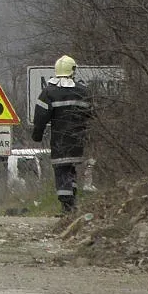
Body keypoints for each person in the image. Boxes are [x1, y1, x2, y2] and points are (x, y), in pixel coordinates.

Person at [32, 54, 93, 215]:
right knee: (71, 170)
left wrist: (37, 135)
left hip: (60, 140)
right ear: (73, 70)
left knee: (61, 171)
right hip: (79, 139)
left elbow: (40, 117)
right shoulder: (83, 91)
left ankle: (67, 207)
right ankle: (72, 204)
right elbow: (92, 115)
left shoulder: (49, 92)